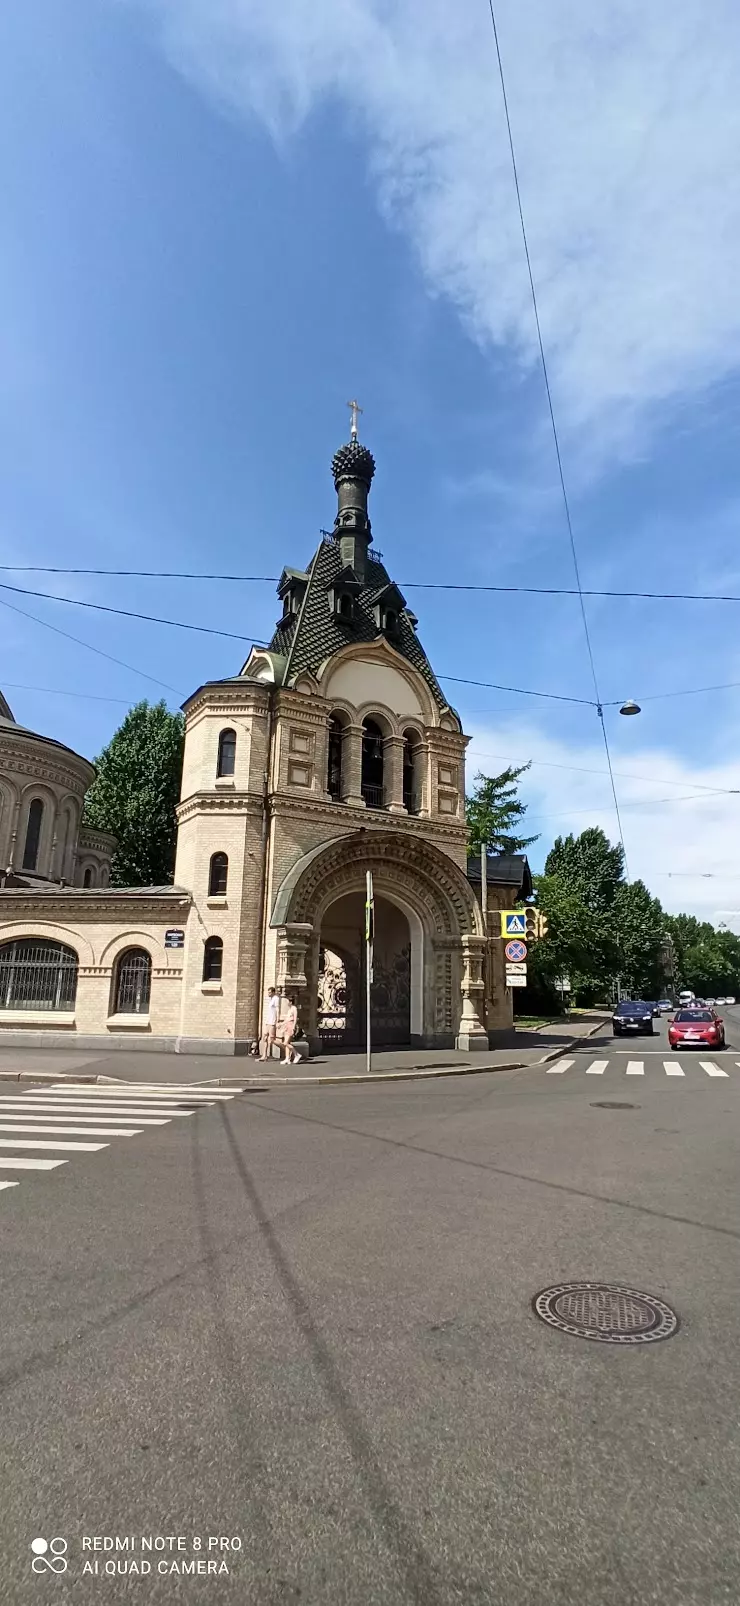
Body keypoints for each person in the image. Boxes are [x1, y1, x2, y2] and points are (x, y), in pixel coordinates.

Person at [259, 986, 279, 1061]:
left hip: (272, 1022)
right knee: (264, 1038)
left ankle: (286, 1048)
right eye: (268, 992)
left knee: (272, 1039)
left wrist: (277, 1020)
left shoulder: (276, 999)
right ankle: (264, 1055)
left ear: (273, 992)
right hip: (268, 1021)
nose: (269, 993)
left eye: (270, 992)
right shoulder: (270, 1000)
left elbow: (277, 1009)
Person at [281, 994, 299, 1065]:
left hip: (291, 1026)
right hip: (287, 1026)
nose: (287, 1003)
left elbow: (295, 1019)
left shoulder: (294, 1008)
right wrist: (281, 1024)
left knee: (286, 1043)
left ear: (291, 1002)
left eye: (288, 1001)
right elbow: (287, 1019)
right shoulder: (290, 1009)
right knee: (286, 1043)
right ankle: (287, 1058)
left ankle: (296, 1054)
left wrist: (293, 1028)